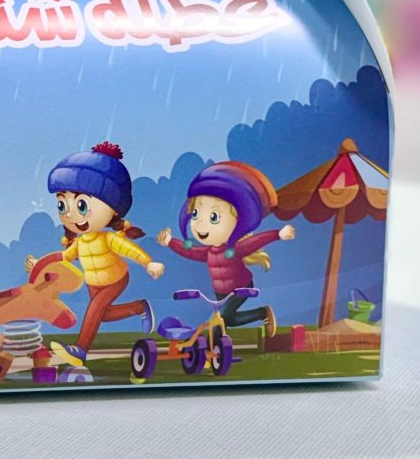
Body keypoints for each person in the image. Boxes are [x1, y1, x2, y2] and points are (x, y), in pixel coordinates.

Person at [26, 142, 164, 367]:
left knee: (95, 309)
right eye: (62, 205)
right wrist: (39, 265)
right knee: (103, 315)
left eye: (81, 205)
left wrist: (149, 263)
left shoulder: (108, 238)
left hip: (115, 279)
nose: (70, 215)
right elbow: (63, 258)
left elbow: (130, 250)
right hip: (94, 283)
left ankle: (80, 350)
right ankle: (139, 307)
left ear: (113, 209)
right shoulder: (80, 243)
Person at [157, 161, 294, 336]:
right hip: (220, 292)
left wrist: (278, 234)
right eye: (196, 214)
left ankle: (211, 347)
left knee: (220, 320)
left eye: (214, 217)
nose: (200, 224)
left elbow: (254, 242)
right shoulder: (209, 252)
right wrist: (170, 241)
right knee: (229, 320)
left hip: (241, 287)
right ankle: (261, 314)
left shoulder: (234, 249)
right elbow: (189, 251)